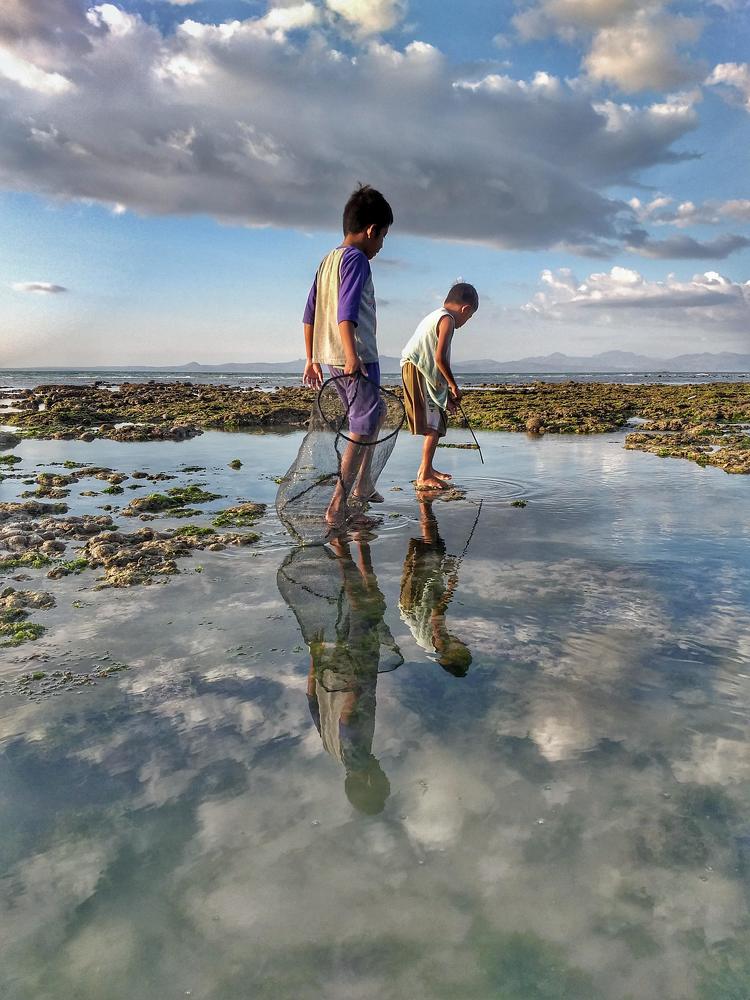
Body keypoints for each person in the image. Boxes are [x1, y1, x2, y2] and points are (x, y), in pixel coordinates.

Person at [277, 536, 402, 815]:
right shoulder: (331, 751)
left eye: (383, 783)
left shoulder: (358, 761)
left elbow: (347, 722)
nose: (384, 776)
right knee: (358, 605)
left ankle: (344, 545)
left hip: (354, 669)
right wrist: (315, 655)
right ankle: (348, 544)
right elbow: (311, 698)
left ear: (370, 783)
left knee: (364, 605)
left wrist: (356, 689)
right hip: (331, 665)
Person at [302, 184, 394, 530]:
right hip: (356, 357)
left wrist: (311, 358)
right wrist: (353, 355)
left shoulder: (328, 260)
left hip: (330, 357)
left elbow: (309, 314)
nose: (381, 246)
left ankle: (364, 484)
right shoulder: (356, 259)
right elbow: (347, 311)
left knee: (376, 412)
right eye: (382, 238)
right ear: (371, 230)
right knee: (363, 425)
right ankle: (339, 507)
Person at [401, 282, 479, 490]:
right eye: (469, 318)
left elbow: (434, 362)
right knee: (434, 423)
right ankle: (424, 475)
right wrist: (453, 386)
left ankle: (427, 468)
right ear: (466, 309)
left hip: (419, 369)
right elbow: (439, 359)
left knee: (438, 418)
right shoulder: (447, 320)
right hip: (417, 369)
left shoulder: (436, 314)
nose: (466, 321)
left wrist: (444, 393)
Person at [399, 496, 472, 678]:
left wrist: (451, 588)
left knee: (432, 548)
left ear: (452, 655)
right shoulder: (433, 649)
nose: (462, 643)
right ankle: (424, 506)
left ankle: (424, 502)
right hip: (409, 605)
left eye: (462, 649)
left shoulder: (439, 641)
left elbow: (436, 613)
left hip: (414, 601)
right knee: (433, 548)